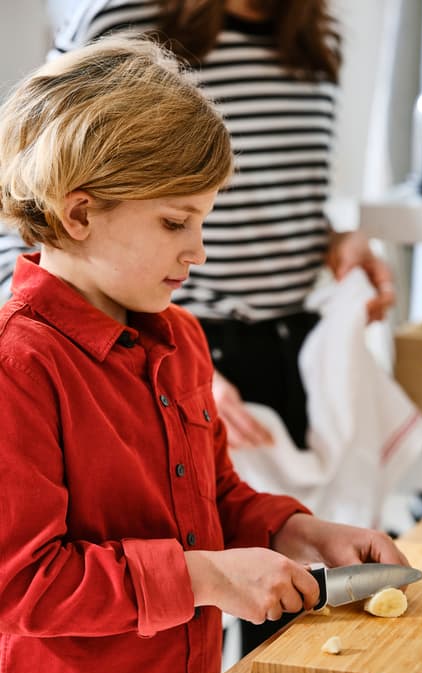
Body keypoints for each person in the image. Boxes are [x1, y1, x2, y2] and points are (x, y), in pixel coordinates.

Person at [0, 34, 410, 673]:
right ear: (79, 214)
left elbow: (212, 499)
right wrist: (208, 579)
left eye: (204, 219)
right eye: (174, 222)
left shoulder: (181, 339)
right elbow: (27, 584)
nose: (200, 251)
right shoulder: (16, 365)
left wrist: (293, 531)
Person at [1, 0, 396, 452]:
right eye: (174, 224)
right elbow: (32, 184)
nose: (197, 246)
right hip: (171, 344)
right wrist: (134, 360)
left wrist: (334, 238)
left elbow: (275, 188)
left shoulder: (320, 41)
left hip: (291, 342)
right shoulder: (120, 18)